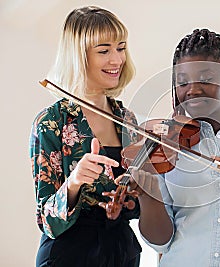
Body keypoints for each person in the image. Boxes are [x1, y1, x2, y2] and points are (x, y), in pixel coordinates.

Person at [29, 6, 171, 267]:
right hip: (68, 256)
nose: (117, 60)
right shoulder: (50, 122)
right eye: (104, 51)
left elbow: (136, 205)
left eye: (121, 48)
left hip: (121, 253)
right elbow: (46, 221)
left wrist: (134, 196)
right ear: (79, 56)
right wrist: (73, 184)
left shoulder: (127, 120)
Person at [125, 29, 220, 267]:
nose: (193, 90)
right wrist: (148, 195)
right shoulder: (164, 148)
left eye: (206, 79)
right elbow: (160, 243)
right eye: (183, 82)